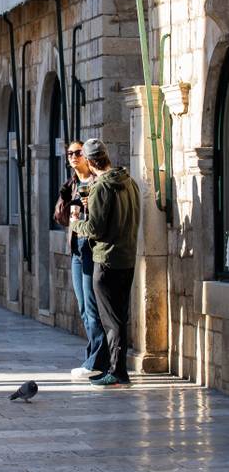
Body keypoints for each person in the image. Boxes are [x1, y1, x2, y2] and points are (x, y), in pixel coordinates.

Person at [71, 138, 141, 387]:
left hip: (107, 260)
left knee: (110, 320)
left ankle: (116, 371)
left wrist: (75, 221)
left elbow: (95, 229)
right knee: (120, 317)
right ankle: (118, 369)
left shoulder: (101, 187)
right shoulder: (130, 183)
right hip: (127, 258)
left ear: (90, 162)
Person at [54, 141, 108, 380]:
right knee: (83, 307)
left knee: (91, 306)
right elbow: (61, 217)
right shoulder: (72, 184)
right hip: (76, 248)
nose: (73, 157)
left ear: (88, 158)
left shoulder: (96, 182)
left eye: (78, 153)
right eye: (70, 154)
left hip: (90, 248)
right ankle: (93, 357)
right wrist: (66, 199)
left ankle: (98, 361)